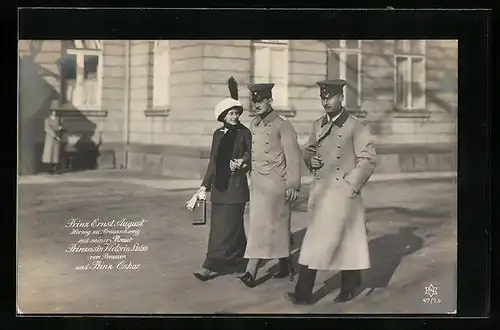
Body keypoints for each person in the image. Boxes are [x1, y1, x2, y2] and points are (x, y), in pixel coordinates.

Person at [284, 79, 377, 305]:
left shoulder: (355, 127)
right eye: (323, 98)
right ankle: (304, 293)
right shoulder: (318, 125)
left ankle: (348, 287)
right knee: (314, 242)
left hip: (344, 194)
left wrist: (351, 185)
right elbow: (309, 150)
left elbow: (368, 160)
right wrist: (311, 160)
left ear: (341, 98)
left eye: (330, 97)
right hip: (323, 193)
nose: (326, 102)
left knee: (346, 242)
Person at [238, 83, 302, 288]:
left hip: (276, 183)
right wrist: (243, 162)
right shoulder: (254, 125)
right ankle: (285, 264)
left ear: (270, 101)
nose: (256, 105)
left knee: (263, 226)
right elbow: (251, 151)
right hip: (257, 183)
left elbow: (294, 157)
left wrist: (293, 184)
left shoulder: (283, 125)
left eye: (261, 100)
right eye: (254, 101)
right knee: (273, 225)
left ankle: (251, 271)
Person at [189, 77, 252, 282]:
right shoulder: (218, 134)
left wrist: (242, 161)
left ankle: (211, 266)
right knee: (219, 229)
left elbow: (253, 155)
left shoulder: (245, 132)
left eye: (236, 113)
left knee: (233, 227)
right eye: (230, 114)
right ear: (223, 116)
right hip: (219, 189)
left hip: (236, 188)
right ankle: (237, 261)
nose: (234, 116)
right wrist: (203, 187)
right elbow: (213, 162)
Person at [42, 110, 63, 174]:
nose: (54, 113)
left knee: (55, 153)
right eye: (53, 112)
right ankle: (49, 168)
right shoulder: (47, 120)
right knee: (49, 153)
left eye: (55, 112)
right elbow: (47, 128)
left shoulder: (58, 119)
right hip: (50, 138)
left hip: (57, 138)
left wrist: (60, 128)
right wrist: (54, 135)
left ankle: (54, 168)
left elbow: (61, 126)